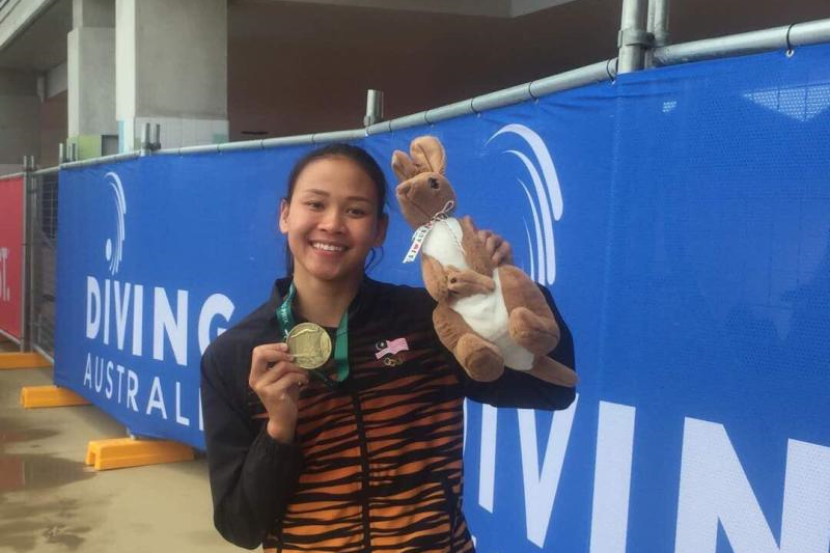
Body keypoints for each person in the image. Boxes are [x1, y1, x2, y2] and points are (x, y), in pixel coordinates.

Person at [200, 143, 576, 553]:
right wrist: (278, 429)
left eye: (355, 210)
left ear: (380, 229)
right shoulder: (235, 356)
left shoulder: (431, 322)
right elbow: (240, 527)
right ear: (285, 215)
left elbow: (549, 390)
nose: (332, 224)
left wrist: (507, 289)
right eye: (315, 204)